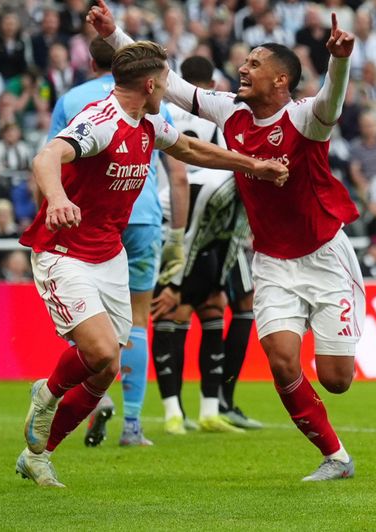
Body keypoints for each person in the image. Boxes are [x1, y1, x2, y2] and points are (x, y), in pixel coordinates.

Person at [91, 2, 364, 482]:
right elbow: (169, 83)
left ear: (281, 80)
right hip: (273, 261)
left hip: (325, 256)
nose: (242, 67)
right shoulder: (231, 111)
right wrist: (116, 36)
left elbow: (332, 101)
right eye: (245, 60)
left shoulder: (305, 118)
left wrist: (339, 61)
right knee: (282, 364)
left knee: (337, 380)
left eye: (255, 63)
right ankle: (336, 456)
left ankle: (334, 420)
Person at [16, 40, 288, 488]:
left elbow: (191, 151)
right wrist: (59, 198)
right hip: (64, 252)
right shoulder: (101, 123)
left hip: (109, 256)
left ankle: (37, 455)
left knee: (105, 370)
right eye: (165, 82)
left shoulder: (148, 121)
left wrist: (253, 165)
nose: (169, 89)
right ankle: (44, 395)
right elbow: (46, 156)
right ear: (150, 83)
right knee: (101, 352)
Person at [47, 37, 190, 448]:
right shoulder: (146, 104)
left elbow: (50, 158)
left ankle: (94, 398)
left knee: (90, 330)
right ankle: (132, 425)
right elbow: (178, 173)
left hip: (84, 221)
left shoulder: (74, 101)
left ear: (92, 63)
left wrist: (53, 206)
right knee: (137, 323)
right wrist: (176, 235)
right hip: (142, 218)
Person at [150, 55, 263, 434]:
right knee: (178, 307)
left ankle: (201, 409)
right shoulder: (223, 114)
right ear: (210, 83)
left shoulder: (163, 111)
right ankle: (195, 409)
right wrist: (175, 280)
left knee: (209, 303)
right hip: (190, 217)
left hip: (176, 214)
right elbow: (193, 196)